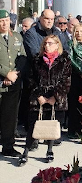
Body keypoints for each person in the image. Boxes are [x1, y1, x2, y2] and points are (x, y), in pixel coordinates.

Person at [20, 35, 72, 164]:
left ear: (57, 45)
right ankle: (25, 151)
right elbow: (30, 79)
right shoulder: (37, 60)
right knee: (33, 126)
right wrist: (39, 95)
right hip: (39, 98)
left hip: (55, 98)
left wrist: (55, 97)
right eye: (45, 43)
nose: (47, 46)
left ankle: (49, 150)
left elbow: (66, 81)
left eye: (50, 43)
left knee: (52, 126)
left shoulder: (64, 60)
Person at [0, 9, 27, 157]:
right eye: (1, 21)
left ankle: (8, 146)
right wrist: (6, 73)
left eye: (6, 20)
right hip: (1, 81)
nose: (4, 23)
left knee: (10, 117)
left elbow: (22, 56)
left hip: (13, 83)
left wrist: (15, 73)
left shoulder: (16, 36)